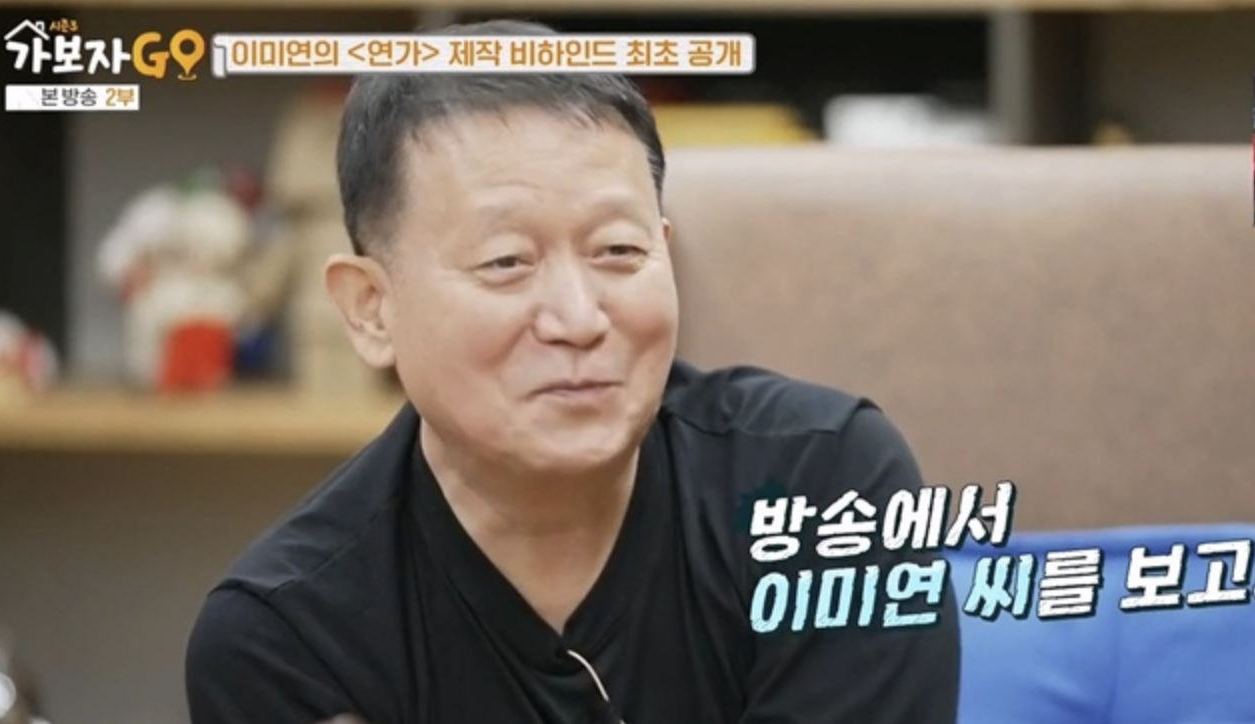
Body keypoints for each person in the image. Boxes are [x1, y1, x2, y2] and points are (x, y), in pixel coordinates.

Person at [185, 18, 961, 724]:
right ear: (371, 309)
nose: (580, 318)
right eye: (506, 261)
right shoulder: (291, 642)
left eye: (618, 251)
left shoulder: (823, 487)